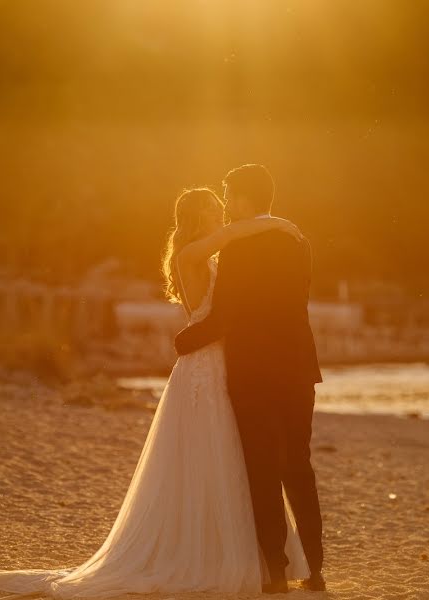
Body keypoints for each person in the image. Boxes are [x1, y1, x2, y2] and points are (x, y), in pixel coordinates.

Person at [0, 186, 310, 598]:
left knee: (234, 456)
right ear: (197, 217)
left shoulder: (209, 255)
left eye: (222, 208)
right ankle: (213, 557)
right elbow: (229, 244)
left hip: (222, 362)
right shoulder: (190, 256)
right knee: (209, 455)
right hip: (204, 367)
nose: (222, 215)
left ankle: (252, 555)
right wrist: (274, 223)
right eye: (214, 209)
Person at [175, 165, 326, 593]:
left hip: (253, 372)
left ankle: (276, 573)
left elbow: (225, 316)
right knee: (298, 464)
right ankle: (315, 570)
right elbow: (299, 299)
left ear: (244, 198)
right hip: (298, 367)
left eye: (229, 195)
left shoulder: (239, 250)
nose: (226, 205)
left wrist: (186, 341)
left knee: (261, 468)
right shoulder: (300, 242)